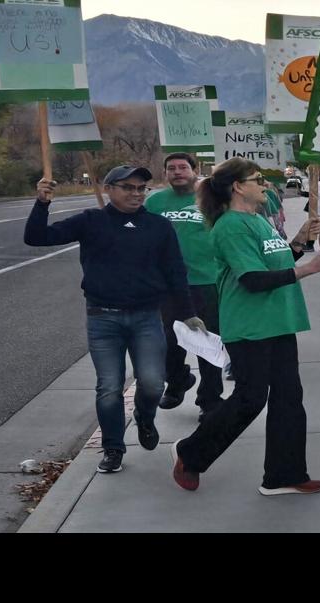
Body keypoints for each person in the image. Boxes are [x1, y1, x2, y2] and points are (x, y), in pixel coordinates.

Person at [170, 158, 320, 495]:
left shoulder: (257, 219)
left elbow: (276, 260)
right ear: (237, 187)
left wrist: (300, 242)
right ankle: (191, 452)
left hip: (279, 321)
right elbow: (253, 279)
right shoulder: (230, 225)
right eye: (257, 179)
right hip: (249, 326)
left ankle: (284, 475)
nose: (264, 184)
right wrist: (312, 269)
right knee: (250, 398)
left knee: (289, 398)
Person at [24, 165, 194, 474]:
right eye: (128, 187)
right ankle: (113, 448)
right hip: (103, 319)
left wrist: (187, 313)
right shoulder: (91, 222)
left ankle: (144, 415)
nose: (136, 193)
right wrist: (42, 202)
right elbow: (36, 237)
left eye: (141, 188)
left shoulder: (159, 226)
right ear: (109, 189)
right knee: (109, 387)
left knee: (154, 383)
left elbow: (175, 271)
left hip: (146, 318)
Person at [144, 153, 225, 418]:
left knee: (207, 342)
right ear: (165, 173)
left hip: (206, 280)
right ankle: (178, 381)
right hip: (168, 285)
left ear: (194, 170)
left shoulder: (211, 198)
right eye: (171, 168)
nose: (177, 172)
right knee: (167, 343)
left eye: (182, 167)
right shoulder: (155, 202)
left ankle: (210, 399)